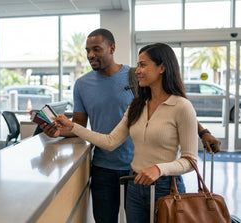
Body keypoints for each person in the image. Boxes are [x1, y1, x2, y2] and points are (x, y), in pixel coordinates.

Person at [41, 28, 221, 223]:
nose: (90, 55)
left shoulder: (156, 90)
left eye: (96, 49)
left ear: (112, 48)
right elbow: (102, 137)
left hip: (156, 179)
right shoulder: (132, 103)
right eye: (87, 50)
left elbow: (180, 126)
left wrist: (202, 133)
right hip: (121, 176)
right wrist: (65, 128)